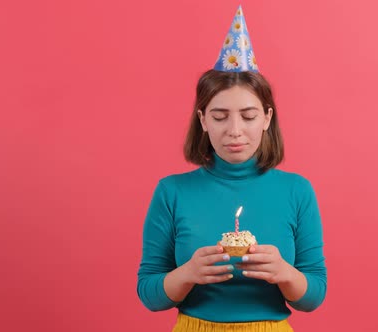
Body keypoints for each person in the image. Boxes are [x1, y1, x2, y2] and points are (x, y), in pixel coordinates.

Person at [137, 6, 326, 331]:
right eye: (220, 116)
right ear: (203, 120)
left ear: (267, 118)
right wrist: (187, 274)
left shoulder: (297, 191)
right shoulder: (172, 192)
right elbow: (149, 294)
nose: (235, 130)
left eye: (249, 116)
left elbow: (313, 296)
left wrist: (285, 272)